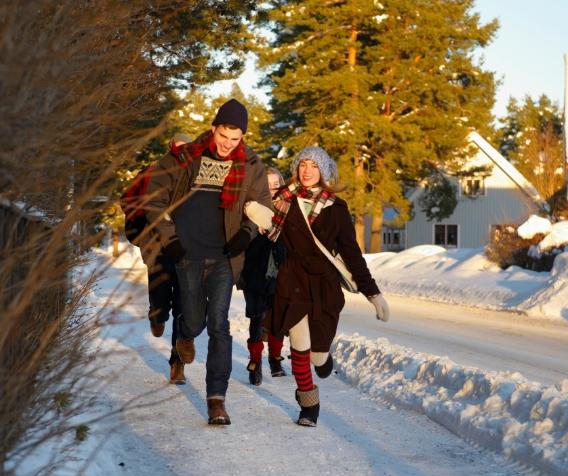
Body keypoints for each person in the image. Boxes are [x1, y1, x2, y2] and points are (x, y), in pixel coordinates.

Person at [144, 99, 273, 425]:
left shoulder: (251, 164)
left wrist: (246, 234)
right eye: (223, 136)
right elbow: (154, 198)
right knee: (193, 320)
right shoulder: (185, 157)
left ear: (242, 136)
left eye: (235, 138)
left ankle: (217, 399)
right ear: (214, 128)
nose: (228, 144)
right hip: (186, 254)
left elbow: (262, 205)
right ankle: (184, 335)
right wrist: (170, 240)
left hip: (224, 257)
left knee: (219, 325)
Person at [263, 146, 389, 427]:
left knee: (316, 354)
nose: (307, 171)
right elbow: (264, 230)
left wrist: (372, 293)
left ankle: (322, 359)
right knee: (299, 344)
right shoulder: (283, 200)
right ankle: (309, 404)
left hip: (323, 286)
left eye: (314, 166)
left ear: (323, 172)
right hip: (293, 280)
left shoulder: (336, 208)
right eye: (303, 165)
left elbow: (351, 254)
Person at [121, 133, 192, 385]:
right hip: (157, 245)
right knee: (160, 293)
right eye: (179, 147)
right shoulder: (153, 170)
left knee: (184, 304)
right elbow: (127, 199)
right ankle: (157, 315)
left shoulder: (197, 174)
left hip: (186, 246)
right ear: (171, 147)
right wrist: (142, 227)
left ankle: (177, 363)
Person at [238, 167, 287, 385]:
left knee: (277, 317)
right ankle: (255, 362)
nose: (272, 189)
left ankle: (275, 359)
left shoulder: (288, 209)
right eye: (268, 185)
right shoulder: (249, 208)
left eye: (276, 184)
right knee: (257, 317)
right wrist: (252, 224)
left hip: (280, 271)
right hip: (254, 272)